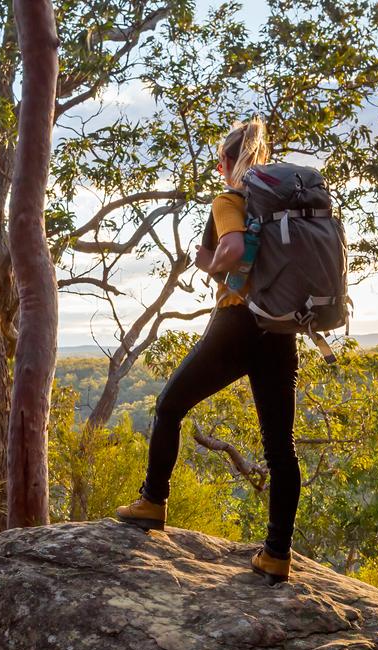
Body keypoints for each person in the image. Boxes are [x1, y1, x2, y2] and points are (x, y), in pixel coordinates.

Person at [115, 118, 302, 585]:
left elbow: (235, 250)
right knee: (281, 449)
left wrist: (210, 266)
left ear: (225, 163)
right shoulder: (282, 206)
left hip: (238, 323)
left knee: (169, 406)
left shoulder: (230, 200)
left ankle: (152, 502)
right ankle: (277, 554)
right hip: (280, 330)